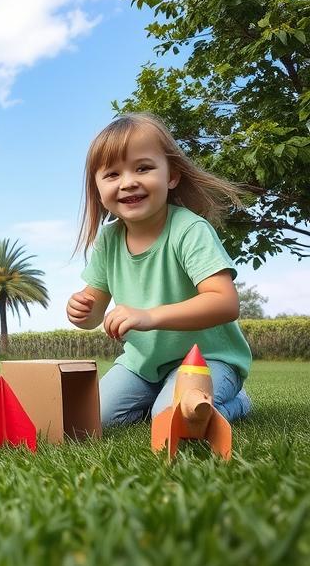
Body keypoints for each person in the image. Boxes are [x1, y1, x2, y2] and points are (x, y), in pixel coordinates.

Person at [66, 113, 252, 429]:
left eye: (143, 168)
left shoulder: (189, 229)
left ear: (172, 176)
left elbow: (225, 302)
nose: (128, 182)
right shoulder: (109, 240)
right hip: (142, 364)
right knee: (91, 420)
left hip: (206, 359)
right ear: (97, 188)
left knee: (175, 420)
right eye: (112, 174)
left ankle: (235, 402)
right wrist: (82, 310)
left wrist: (150, 316)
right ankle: (160, 402)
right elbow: (95, 312)